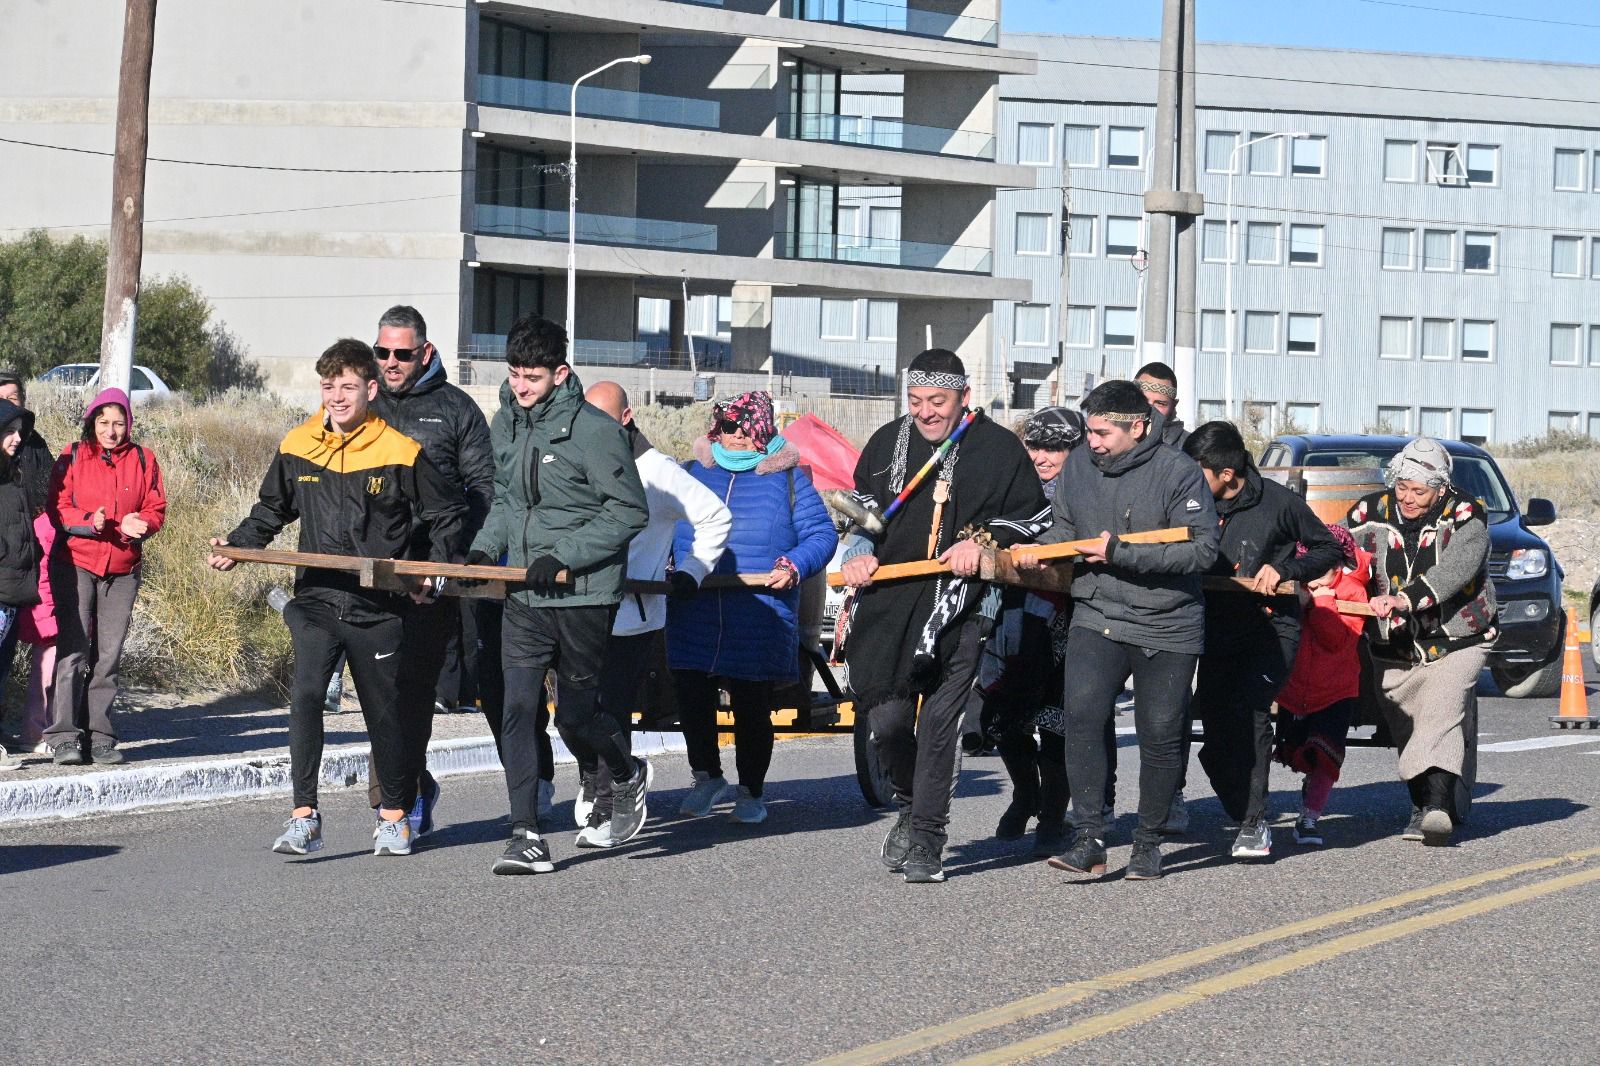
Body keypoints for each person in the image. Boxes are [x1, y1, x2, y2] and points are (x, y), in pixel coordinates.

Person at [207, 339, 467, 858]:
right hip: (318, 600)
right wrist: (239, 544)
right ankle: (304, 816)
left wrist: (431, 573)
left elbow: (448, 515)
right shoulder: (300, 443)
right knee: (305, 694)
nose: (337, 397)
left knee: (383, 714)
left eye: (348, 386)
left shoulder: (399, 450)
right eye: (328, 387)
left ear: (371, 389)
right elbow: (270, 509)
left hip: (379, 608)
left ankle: (394, 816)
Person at [841, 349, 1050, 884]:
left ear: (963, 398)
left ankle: (929, 840)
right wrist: (857, 554)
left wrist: (985, 541)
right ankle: (913, 806)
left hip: (958, 603)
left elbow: (1036, 516)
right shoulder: (888, 441)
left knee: (938, 723)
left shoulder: (999, 448)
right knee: (885, 722)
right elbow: (862, 516)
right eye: (916, 401)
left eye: (938, 401)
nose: (926, 412)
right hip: (889, 600)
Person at [1014, 380, 1218, 881]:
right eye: (1090, 431)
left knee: (1161, 732)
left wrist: (1120, 553)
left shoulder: (1179, 471)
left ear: (1139, 426)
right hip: (1098, 610)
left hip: (1166, 621)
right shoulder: (1081, 464)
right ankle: (1090, 837)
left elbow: (1201, 550)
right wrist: (1041, 547)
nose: (1093, 442)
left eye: (1104, 432)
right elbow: (1066, 527)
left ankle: (1148, 841)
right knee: (1080, 717)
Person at [466, 315, 647, 875]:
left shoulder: (595, 431)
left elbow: (628, 511)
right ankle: (525, 833)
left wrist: (562, 557)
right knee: (517, 708)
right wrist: (482, 550)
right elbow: (506, 502)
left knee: (575, 717)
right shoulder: (508, 424)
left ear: (560, 373)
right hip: (524, 595)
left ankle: (625, 771)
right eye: (515, 375)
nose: (521, 388)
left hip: (583, 595)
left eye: (533, 378)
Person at [667, 391, 835, 826]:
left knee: (750, 702)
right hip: (696, 606)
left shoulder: (791, 480)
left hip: (759, 608)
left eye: (746, 427)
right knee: (690, 691)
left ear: (763, 429)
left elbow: (821, 536)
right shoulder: (692, 474)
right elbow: (659, 525)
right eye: (728, 426)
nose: (737, 436)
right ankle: (706, 776)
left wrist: (795, 566)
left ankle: (751, 790)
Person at [1181, 421, 1344, 860]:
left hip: (1272, 627)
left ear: (1227, 474)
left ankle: (1255, 823)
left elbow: (1330, 550)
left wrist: (1285, 570)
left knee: (1252, 712)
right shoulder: (1192, 503)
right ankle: (1242, 809)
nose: (1189, 482)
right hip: (1216, 626)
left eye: (1198, 473)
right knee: (1215, 729)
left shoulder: (1279, 504)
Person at [577, 381, 730, 847]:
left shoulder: (657, 471)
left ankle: (609, 803)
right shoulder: (580, 461)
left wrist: (692, 570)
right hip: (579, 608)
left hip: (633, 614)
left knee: (610, 708)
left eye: (601, 421)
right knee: (575, 710)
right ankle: (594, 778)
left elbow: (714, 515)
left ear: (625, 419)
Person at [363, 305, 496, 839]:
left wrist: (454, 562)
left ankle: (410, 790)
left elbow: (484, 490)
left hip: (432, 574)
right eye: (382, 352)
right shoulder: (360, 403)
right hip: (372, 569)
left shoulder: (456, 409)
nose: (391, 363)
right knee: (378, 689)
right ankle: (396, 795)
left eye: (402, 353)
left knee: (413, 689)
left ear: (426, 352)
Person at [976, 406, 1116, 859]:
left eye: (1055, 445)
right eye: (1034, 444)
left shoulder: (1096, 488)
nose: (1042, 455)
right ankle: (1024, 793)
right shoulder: (1012, 485)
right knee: (998, 717)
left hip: (1077, 615)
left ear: (1077, 447)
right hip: (1013, 613)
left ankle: (1053, 818)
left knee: (1060, 722)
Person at [1348, 437, 1496, 847]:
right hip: (1392, 645)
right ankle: (1421, 805)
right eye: (1402, 488)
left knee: (1439, 713)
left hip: (1457, 636)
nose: (1408, 498)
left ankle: (1438, 810)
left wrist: (1404, 599)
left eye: (1419, 491)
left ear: (1441, 488)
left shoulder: (1468, 514)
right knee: (1405, 725)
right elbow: (1347, 555)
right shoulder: (1366, 512)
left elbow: (1457, 571)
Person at [42, 388, 167, 766]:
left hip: (123, 569)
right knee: (74, 651)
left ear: (129, 423)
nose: (111, 431)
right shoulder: (73, 455)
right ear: (91, 422)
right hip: (76, 562)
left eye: (118, 423)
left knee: (108, 655)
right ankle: (63, 736)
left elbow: (157, 507)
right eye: (103, 422)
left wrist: (141, 523)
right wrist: (86, 522)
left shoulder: (145, 459)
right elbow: (56, 507)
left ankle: (100, 736)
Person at [1274, 524, 1373, 847]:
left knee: (1326, 759)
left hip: (1335, 690)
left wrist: (1322, 604)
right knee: (1296, 750)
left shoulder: (1353, 592)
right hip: (1294, 691)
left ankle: (1309, 817)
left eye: (1321, 572)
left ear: (1337, 567)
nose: (1312, 580)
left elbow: (1335, 641)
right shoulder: (1295, 589)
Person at [0, 399, 42, 770]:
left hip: (11, 589)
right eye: (9, 431)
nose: (17, 439)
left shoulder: (13, 474)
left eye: (19, 432)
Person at [1134, 362, 1188, 447]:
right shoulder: (1111, 438)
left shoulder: (1188, 447)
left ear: (1173, 406)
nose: (1149, 408)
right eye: (1143, 400)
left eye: (1160, 403)